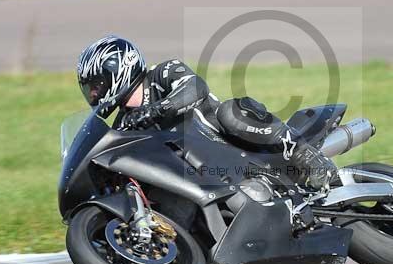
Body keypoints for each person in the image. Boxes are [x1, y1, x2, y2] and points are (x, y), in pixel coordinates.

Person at [76, 35, 336, 190]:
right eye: (89, 90)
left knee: (231, 112)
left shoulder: (163, 72)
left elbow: (196, 88)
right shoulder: (124, 124)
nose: (94, 95)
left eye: (96, 86)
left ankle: (308, 157)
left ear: (118, 71)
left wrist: (158, 109)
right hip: (199, 175)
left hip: (230, 142)